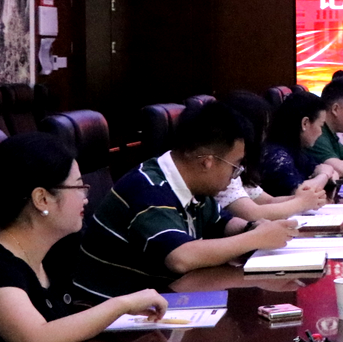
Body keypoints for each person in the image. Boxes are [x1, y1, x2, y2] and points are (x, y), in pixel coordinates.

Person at [0, 133, 170, 342]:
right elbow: (37, 341)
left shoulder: (55, 250)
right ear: (42, 199)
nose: (85, 197)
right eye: (78, 187)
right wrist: (123, 305)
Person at [74, 102, 300, 303]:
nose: (235, 176)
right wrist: (256, 238)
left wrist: (254, 227)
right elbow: (181, 257)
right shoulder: (148, 188)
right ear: (208, 162)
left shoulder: (193, 185)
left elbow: (221, 223)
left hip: (157, 301)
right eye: (235, 166)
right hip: (108, 315)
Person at [213, 91, 328, 221]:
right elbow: (253, 213)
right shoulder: (223, 170)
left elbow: (268, 201)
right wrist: (301, 203)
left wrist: (306, 198)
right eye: (263, 129)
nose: (265, 137)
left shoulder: (241, 169)